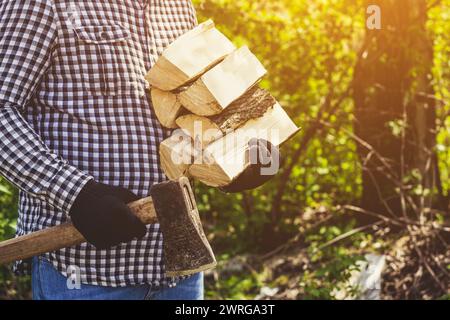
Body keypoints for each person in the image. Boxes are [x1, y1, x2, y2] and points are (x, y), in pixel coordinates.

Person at [0, 0, 279, 300]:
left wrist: (230, 161)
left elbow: (187, 114)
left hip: (178, 271)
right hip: (84, 273)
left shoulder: (176, 6)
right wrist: (77, 195)